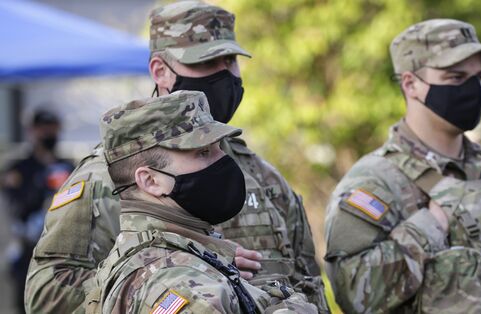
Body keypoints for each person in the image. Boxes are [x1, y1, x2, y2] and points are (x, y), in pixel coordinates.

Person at [25, 1, 327, 313]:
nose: (225, 75)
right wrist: (196, 264)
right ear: (160, 71)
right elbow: (47, 297)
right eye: (207, 62)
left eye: (230, 61)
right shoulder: (113, 173)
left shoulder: (262, 175)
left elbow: (307, 281)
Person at [324, 18, 481, 313]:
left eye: (479, 77)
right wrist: (427, 228)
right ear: (411, 84)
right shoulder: (375, 183)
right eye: (456, 78)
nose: (473, 89)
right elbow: (352, 293)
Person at [81, 91, 316, 314]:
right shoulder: (175, 282)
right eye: (203, 152)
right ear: (150, 180)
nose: (223, 160)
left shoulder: (175, 252)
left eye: (218, 147)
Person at [1, 109, 74, 313]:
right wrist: (41, 184)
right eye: (43, 129)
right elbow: (15, 207)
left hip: (65, 249)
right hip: (29, 248)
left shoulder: (68, 166)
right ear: (32, 131)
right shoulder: (19, 168)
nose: (48, 134)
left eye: (52, 129)